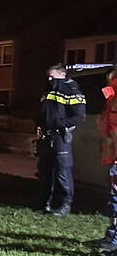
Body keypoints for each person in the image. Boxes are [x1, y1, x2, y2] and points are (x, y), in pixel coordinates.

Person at [38, 64, 86, 216]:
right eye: (48, 76)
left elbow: (79, 116)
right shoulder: (49, 90)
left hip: (61, 136)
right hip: (47, 135)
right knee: (46, 170)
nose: (49, 79)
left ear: (62, 75)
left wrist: (60, 124)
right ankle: (47, 202)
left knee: (62, 171)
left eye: (52, 76)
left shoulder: (71, 91)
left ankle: (65, 204)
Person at [96, 70, 117, 256]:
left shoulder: (113, 96)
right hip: (113, 156)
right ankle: (112, 236)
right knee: (114, 199)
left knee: (116, 199)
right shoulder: (111, 94)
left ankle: (114, 238)